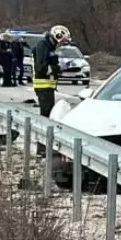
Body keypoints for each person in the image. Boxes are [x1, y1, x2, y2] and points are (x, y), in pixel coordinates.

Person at [33, 25, 71, 156]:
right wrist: (57, 69)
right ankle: (42, 148)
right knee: (46, 118)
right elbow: (41, 68)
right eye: (61, 42)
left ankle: (44, 147)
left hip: (48, 87)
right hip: (43, 86)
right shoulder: (43, 46)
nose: (60, 45)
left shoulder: (49, 47)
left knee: (48, 117)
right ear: (57, 36)